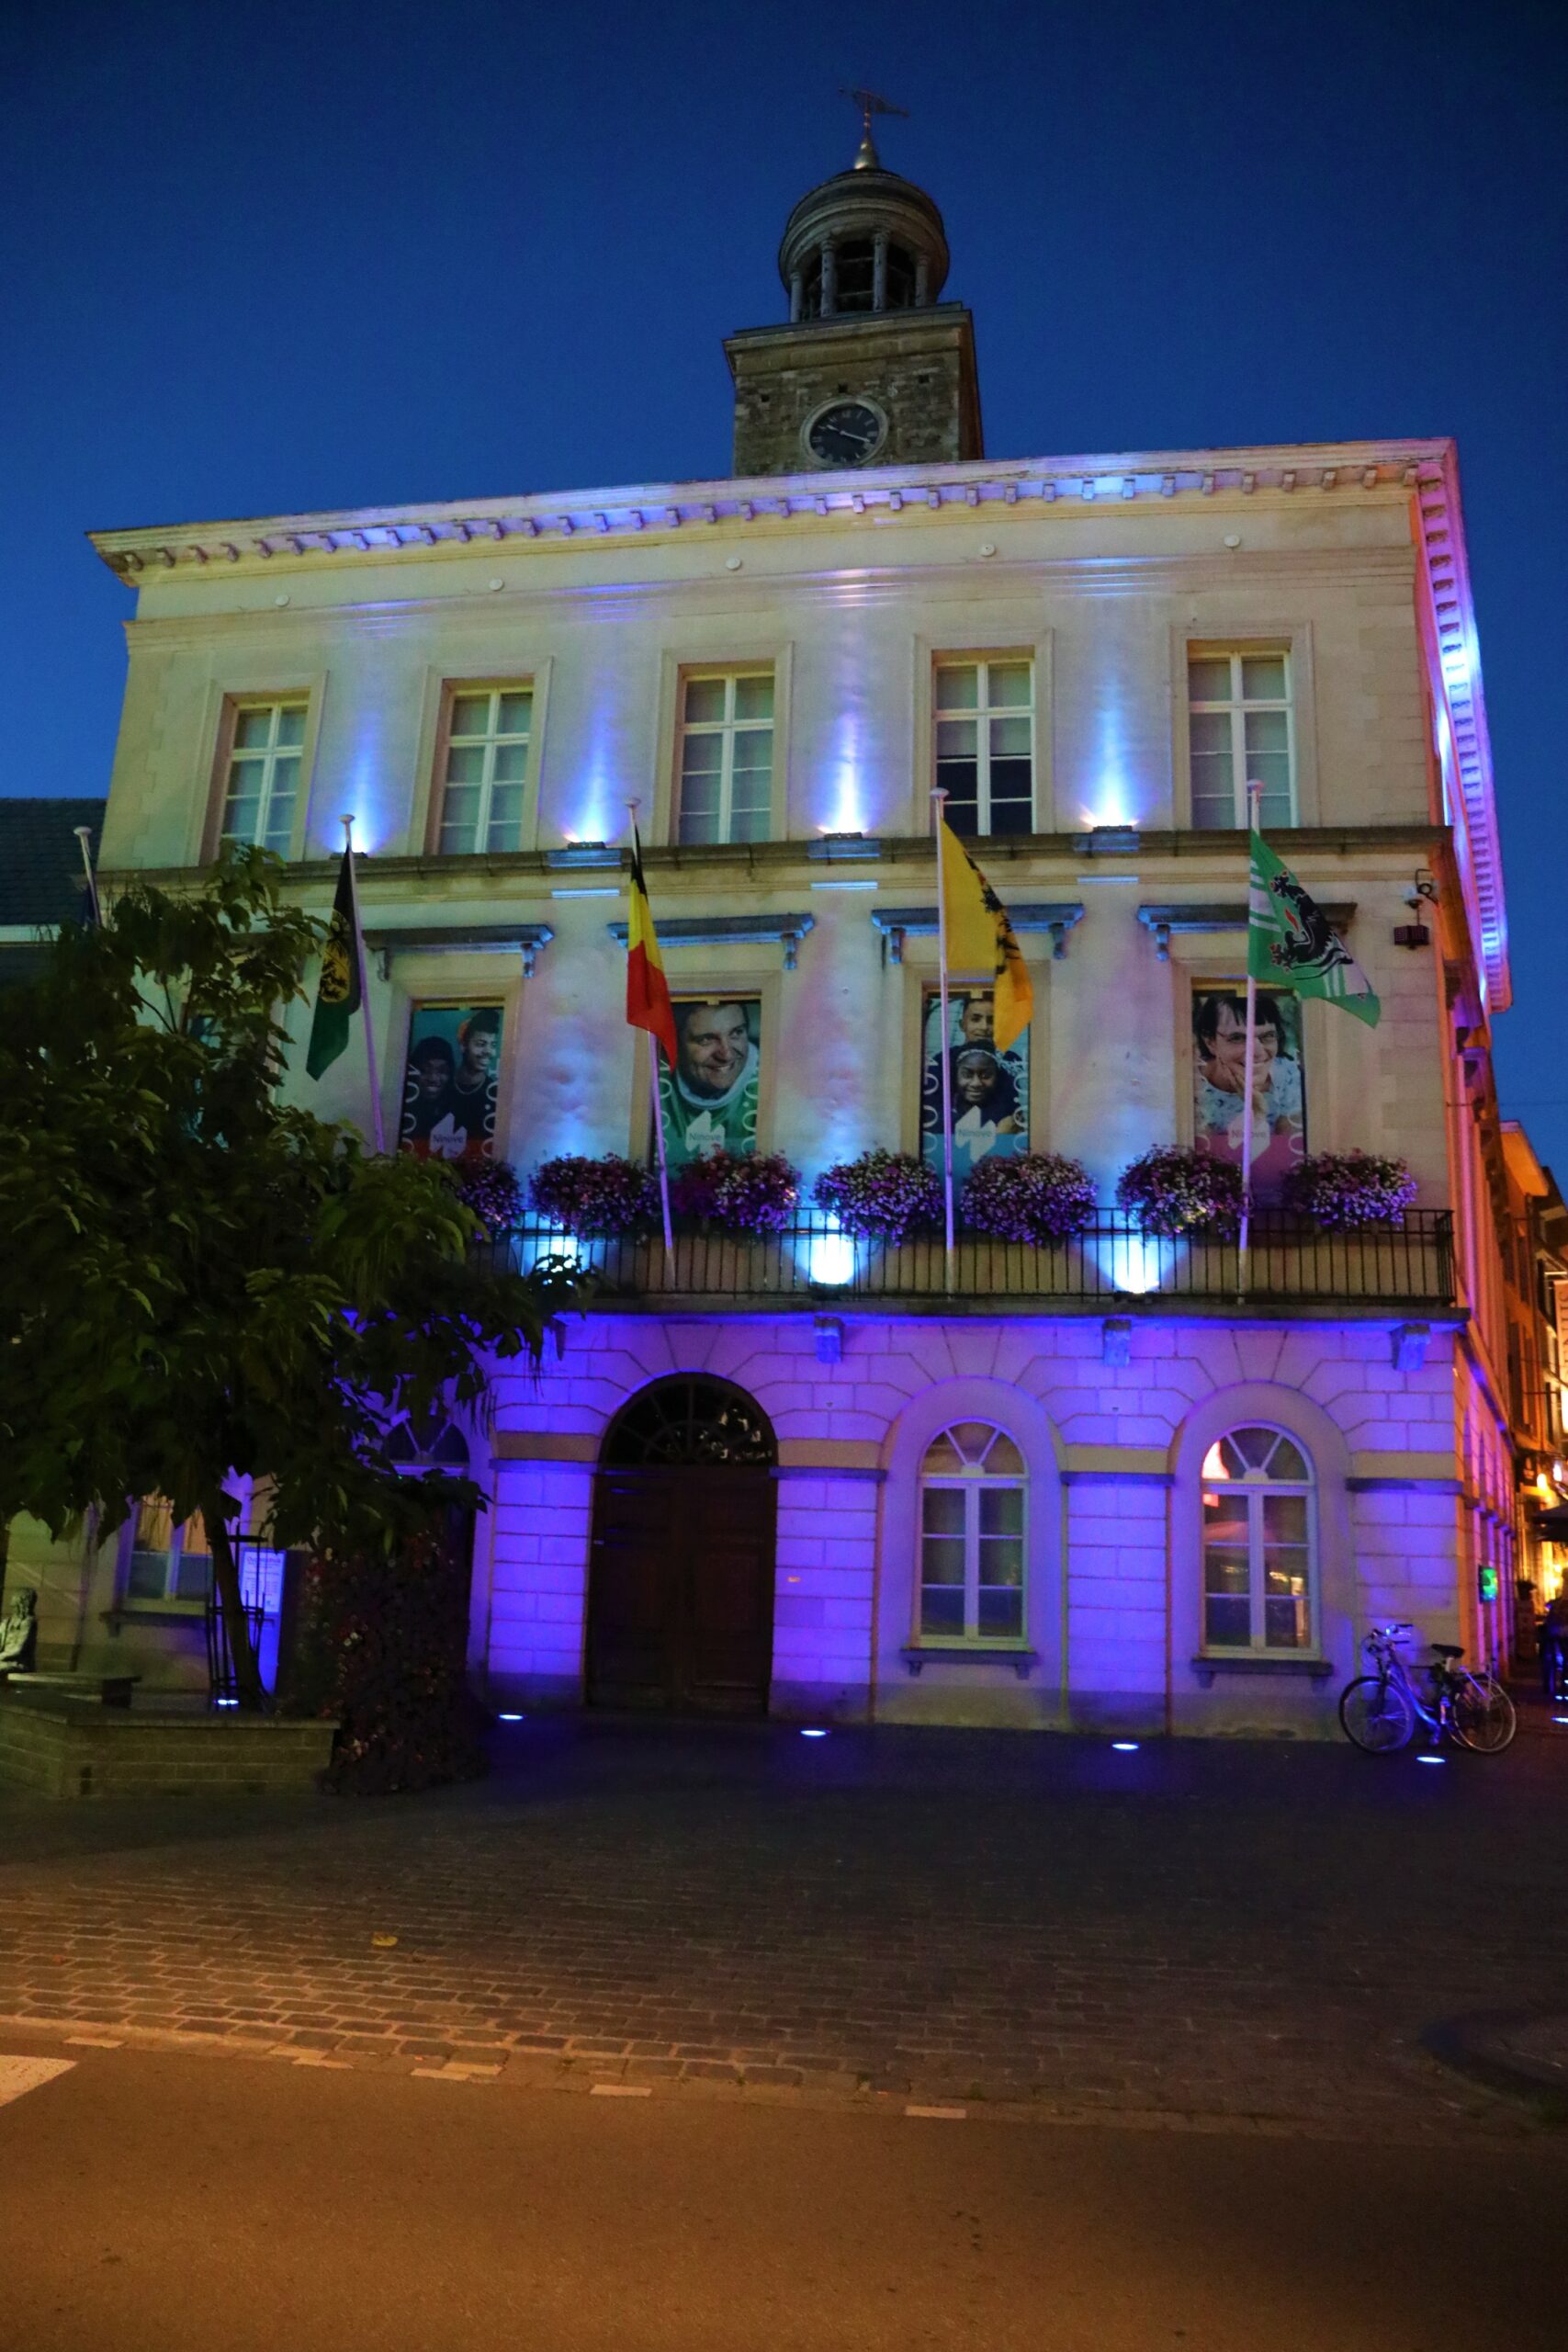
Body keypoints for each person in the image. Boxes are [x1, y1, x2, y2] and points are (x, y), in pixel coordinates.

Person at [1193, 990, 1303, 1192]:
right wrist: (1254, 1114)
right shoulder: (1193, 1085)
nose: (1257, 1052)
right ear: (1210, 1042)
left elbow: (1290, 1164)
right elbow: (1207, 1167)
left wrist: (1257, 1113)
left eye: (1267, 1036)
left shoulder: (1289, 1077)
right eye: (1237, 1038)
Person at [661, 1001, 760, 1163]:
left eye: (736, 1033)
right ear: (676, 1044)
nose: (726, 1055)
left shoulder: (773, 1079)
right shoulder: (654, 1079)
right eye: (706, 1039)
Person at [400, 1035, 457, 1157]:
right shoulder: (402, 1111)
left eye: (442, 1071)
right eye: (425, 1070)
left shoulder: (459, 1113)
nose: (433, 1078)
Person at [1539, 1589, 1568, 1701]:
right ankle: (1559, 1686)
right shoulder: (1557, 1604)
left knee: (1554, 1660)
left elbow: (1548, 1607)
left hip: (1555, 1635)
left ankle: (1555, 1685)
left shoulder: (1556, 1604)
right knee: (1558, 1660)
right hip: (1557, 1636)